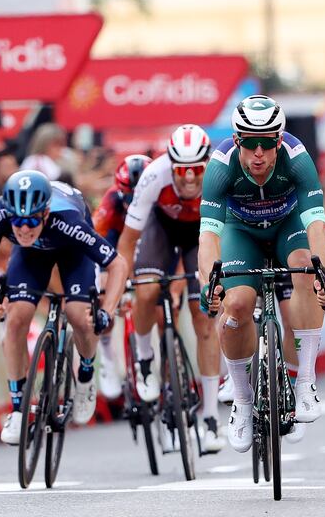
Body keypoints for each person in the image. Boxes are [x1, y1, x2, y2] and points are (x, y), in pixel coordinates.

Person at [198, 96, 325, 454]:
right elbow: (209, 238)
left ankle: (305, 382)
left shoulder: (298, 160)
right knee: (239, 304)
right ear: (236, 139)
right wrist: (206, 284)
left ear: (279, 140)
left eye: (267, 142)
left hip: (286, 227)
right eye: (249, 142)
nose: (258, 153)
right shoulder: (220, 166)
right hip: (240, 232)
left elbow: (318, 226)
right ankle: (243, 404)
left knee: (307, 266)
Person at [0, 170, 128, 445]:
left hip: (72, 252)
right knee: (17, 317)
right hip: (30, 257)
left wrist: (107, 310)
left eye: (31, 220)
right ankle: (19, 410)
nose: (23, 229)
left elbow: (118, 265)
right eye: (17, 221)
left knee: (79, 315)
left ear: (44, 213)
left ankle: (87, 374)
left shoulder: (68, 220)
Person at [114, 126, 223, 451]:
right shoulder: (153, 176)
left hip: (202, 235)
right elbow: (128, 240)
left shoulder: (221, 175)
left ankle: (211, 417)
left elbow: (229, 233)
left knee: (204, 319)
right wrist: (119, 285)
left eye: (196, 170)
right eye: (182, 170)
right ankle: (145, 359)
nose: (189, 178)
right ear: (170, 164)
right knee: (146, 291)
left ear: (207, 164)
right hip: (161, 229)